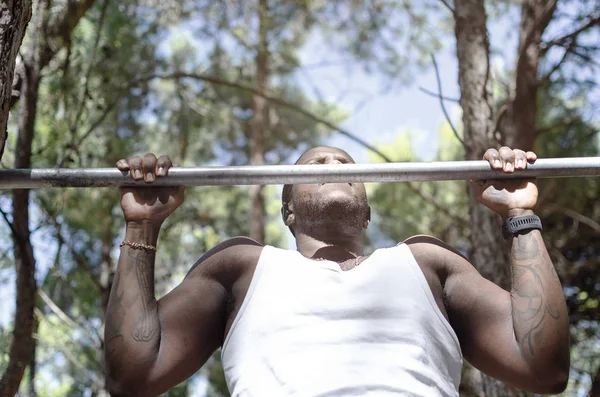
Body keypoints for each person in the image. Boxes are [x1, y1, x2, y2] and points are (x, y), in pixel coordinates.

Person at [105, 146, 569, 397]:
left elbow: (542, 369)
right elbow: (133, 377)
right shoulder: (242, 265)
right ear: (288, 208)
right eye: (315, 164)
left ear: (366, 211)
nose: (334, 166)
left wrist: (519, 216)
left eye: (348, 164)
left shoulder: (426, 260)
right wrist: (141, 226)